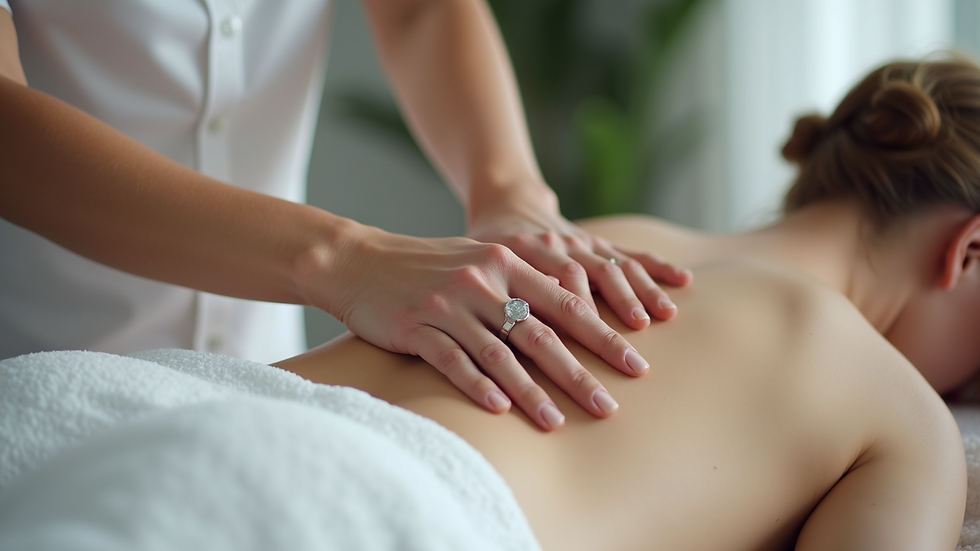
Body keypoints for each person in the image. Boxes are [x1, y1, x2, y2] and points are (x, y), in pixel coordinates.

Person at [269, 56, 980, 549]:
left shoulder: (588, 238)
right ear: (970, 248)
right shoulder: (905, 417)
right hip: (355, 516)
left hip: (194, 401)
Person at [0, 0, 692, 431]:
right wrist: (339, 259)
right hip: (36, 378)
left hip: (267, 378)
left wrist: (510, 191)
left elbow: (419, 9)